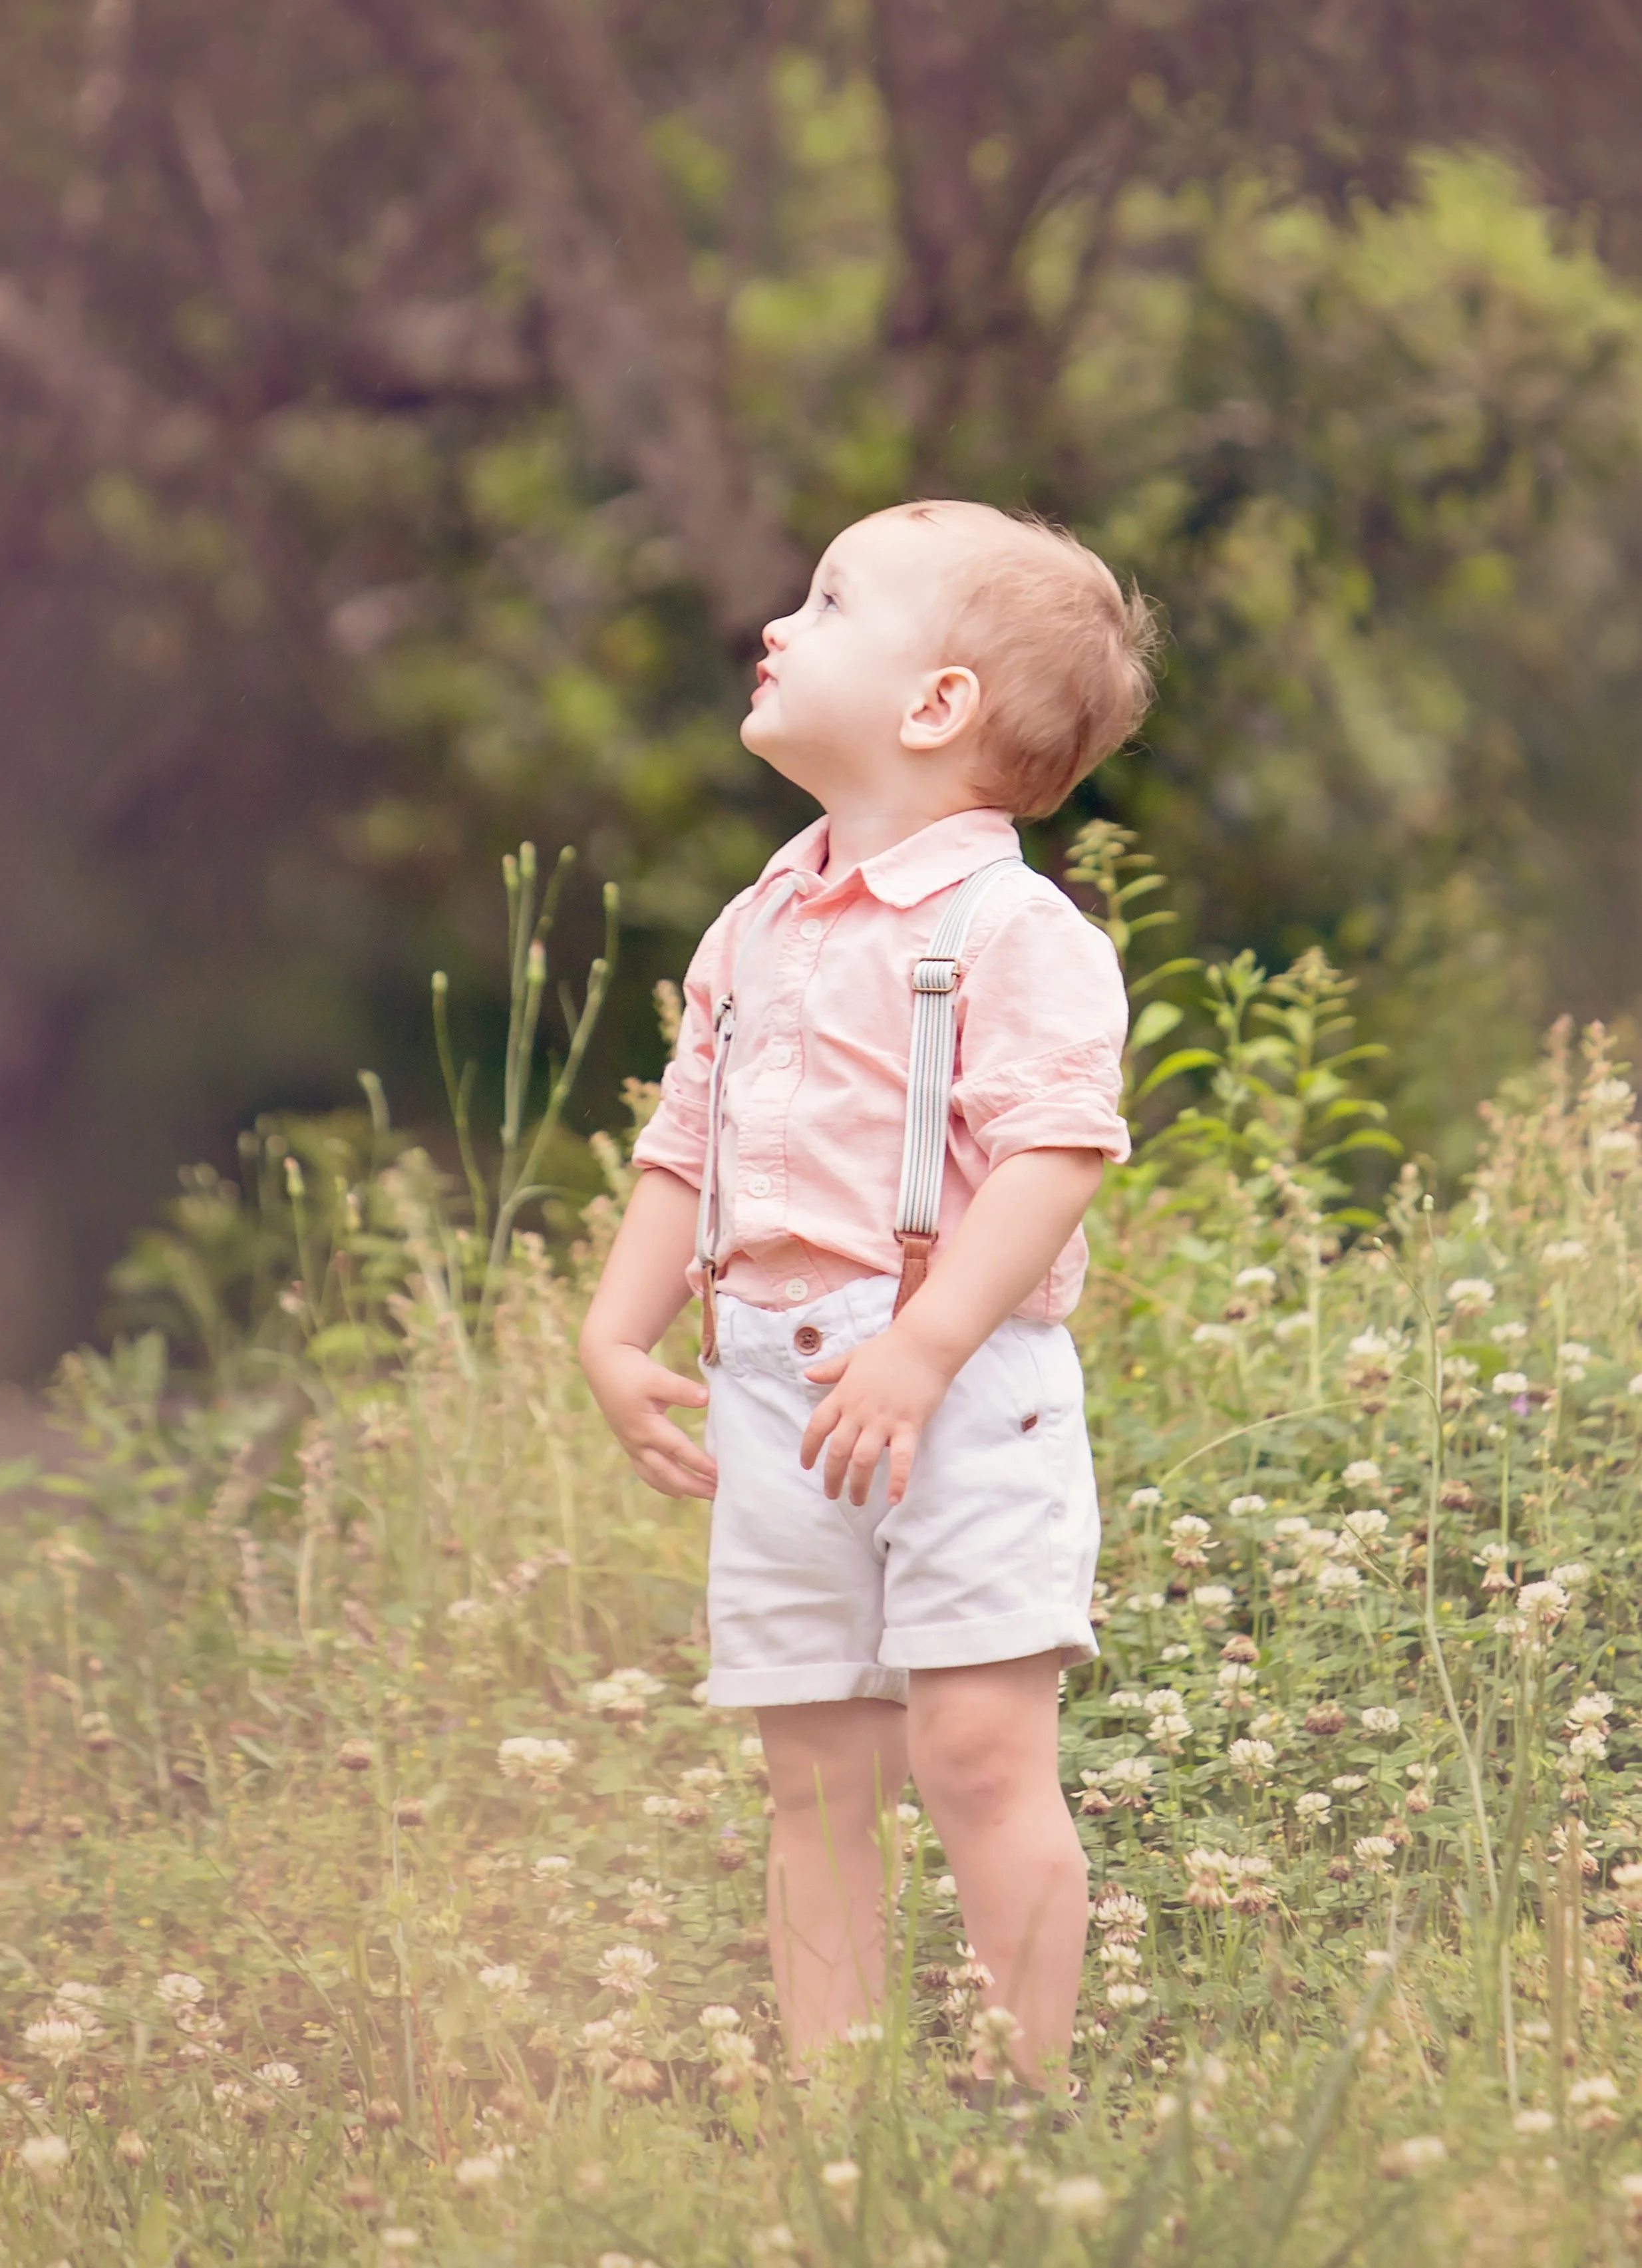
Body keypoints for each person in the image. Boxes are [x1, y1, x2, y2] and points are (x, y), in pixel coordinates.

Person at [578, 499, 1156, 2096]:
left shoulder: (1012, 930)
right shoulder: (754, 923)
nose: (776, 623)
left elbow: (1052, 1154)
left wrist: (919, 1347)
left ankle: (1019, 2094)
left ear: (932, 708)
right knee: (813, 1772)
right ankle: (842, 2120)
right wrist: (613, 1333)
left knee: (975, 1751)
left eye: (827, 602)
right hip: (772, 1382)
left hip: (956, 1383)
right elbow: (683, 1141)